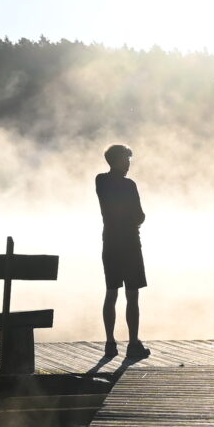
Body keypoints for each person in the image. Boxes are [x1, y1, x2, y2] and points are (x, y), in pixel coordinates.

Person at [96, 143, 148, 362]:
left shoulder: (100, 181)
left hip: (110, 243)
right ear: (117, 160)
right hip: (130, 244)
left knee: (111, 292)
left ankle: (110, 343)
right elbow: (139, 216)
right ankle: (133, 343)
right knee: (132, 295)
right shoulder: (129, 185)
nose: (128, 163)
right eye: (126, 159)